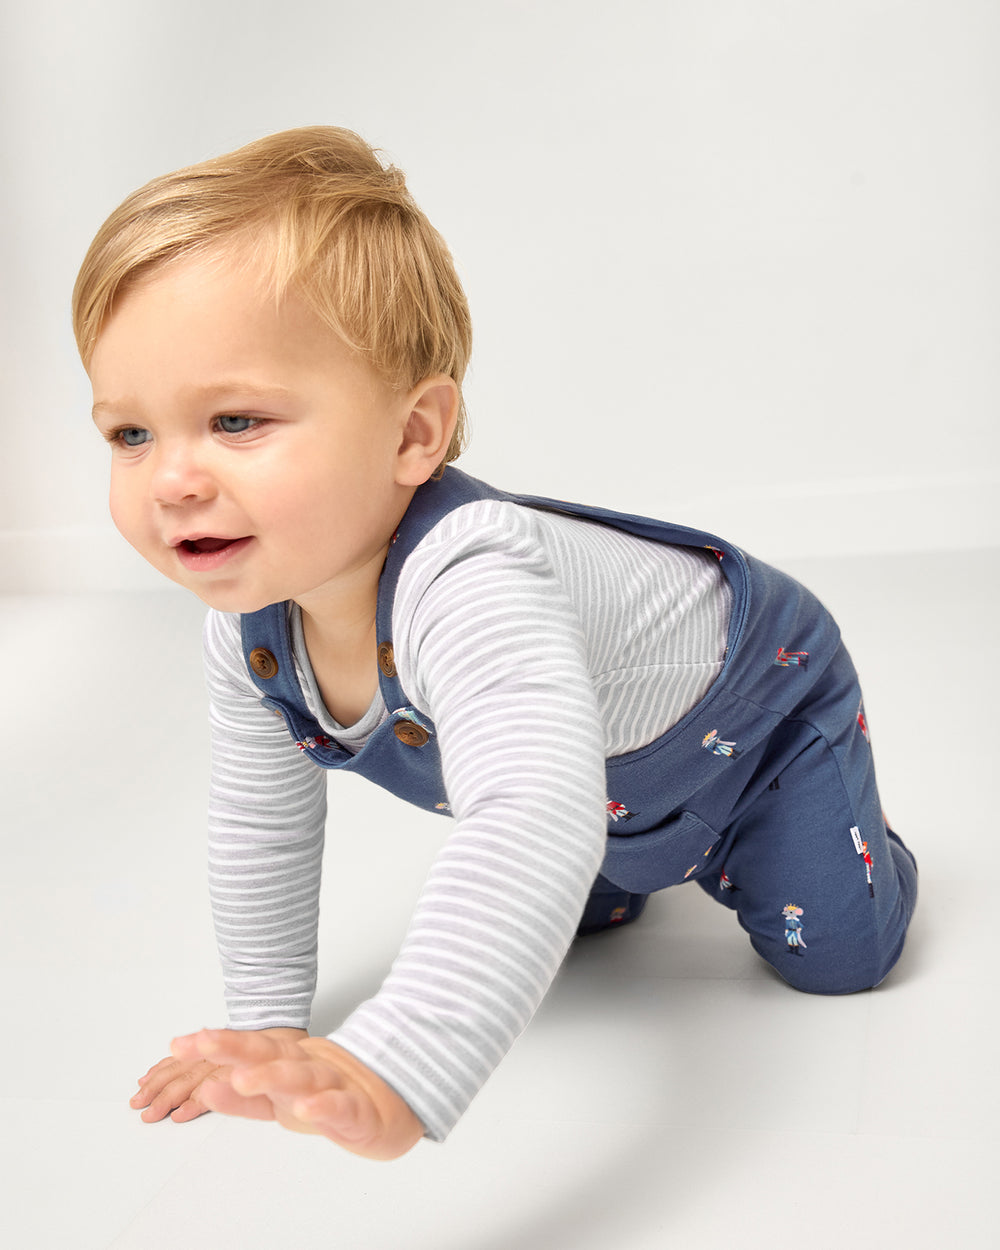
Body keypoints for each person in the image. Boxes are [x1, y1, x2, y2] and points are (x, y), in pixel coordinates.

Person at [73, 126, 918, 1162]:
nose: (171, 479)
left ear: (414, 435)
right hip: (589, 764)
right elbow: (263, 825)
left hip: (759, 705)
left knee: (838, 962)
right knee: (563, 897)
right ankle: (628, 857)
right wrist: (264, 1019)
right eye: (130, 433)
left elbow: (526, 812)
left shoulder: (470, 582)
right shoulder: (248, 638)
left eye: (237, 420)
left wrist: (397, 1062)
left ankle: (830, 829)